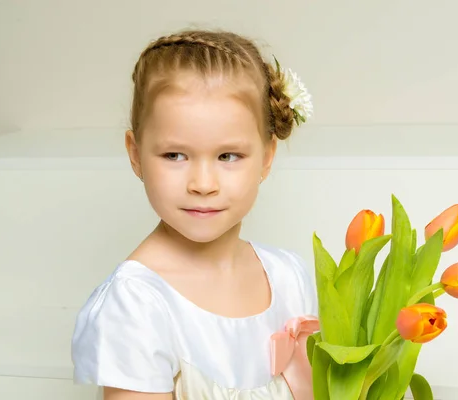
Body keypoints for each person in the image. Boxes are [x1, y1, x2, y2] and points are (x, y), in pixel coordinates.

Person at [71, 28, 318, 400]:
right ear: (135, 154)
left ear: (267, 157)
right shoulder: (136, 305)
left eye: (228, 156)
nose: (203, 183)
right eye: (175, 155)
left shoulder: (289, 276)